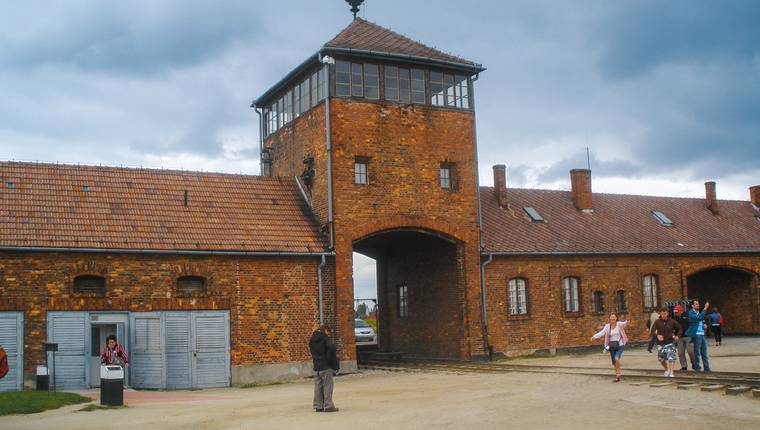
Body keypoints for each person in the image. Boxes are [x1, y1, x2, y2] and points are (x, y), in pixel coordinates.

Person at [309, 324, 339, 412]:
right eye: (329, 332)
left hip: (316, 366)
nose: (329, 334)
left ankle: (318, 406)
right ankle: (328, 405)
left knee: (318, 387)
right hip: (325, 366)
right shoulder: (325, 339)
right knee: (328, 386)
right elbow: (332, 348)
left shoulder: (312, 339)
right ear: (325, 330)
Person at [591, 312, 630, 382]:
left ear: (616, 318)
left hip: (620, 345)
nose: (612, 318)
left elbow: (625, 323)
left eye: (614, 317)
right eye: (611, 317)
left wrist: (628, 320)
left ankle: (618, 373)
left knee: (616, 358)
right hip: (611, 346)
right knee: (614, 362)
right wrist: (594, 336)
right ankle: (617, 376)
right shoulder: (607, 326)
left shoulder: (619, 324)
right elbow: (602, 332)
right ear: (609, 318)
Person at [652, 306, 682, 377]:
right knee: (661, 359)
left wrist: (677, 336)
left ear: (667, 313)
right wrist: (657, 336)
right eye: (662, 314)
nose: (663, 315)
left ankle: (671, 372)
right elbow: (652, 331)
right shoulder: (657, 322)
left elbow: (680, 329)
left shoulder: (672, 321)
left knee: (671, 357)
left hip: (670, 342)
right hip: (661, 343)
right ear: (660, 314)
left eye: (665, 314)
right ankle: (667, 369)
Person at [685, 299, 711, 372]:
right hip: (696, 334)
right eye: (696, 304)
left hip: (702, 334)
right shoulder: (690, 313)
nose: (698, 305)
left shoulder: (698, 312)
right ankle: (697, 368)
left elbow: (701, 320)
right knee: (697, 352)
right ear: (692, 305)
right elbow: (699, 318)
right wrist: (705, 308)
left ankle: (707, 368)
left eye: (698, 304)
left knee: (704, 352)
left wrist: (704, 325)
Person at [673, 304, 695, 371]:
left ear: (681, 311)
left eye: (677, 312)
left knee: (690, 351)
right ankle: (684, 366)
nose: (676, 313)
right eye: (675, 312)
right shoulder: (674, 318)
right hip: (679, 337)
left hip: (688, 336)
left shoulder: (687, 315)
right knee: (680, 353)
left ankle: (694, 363)